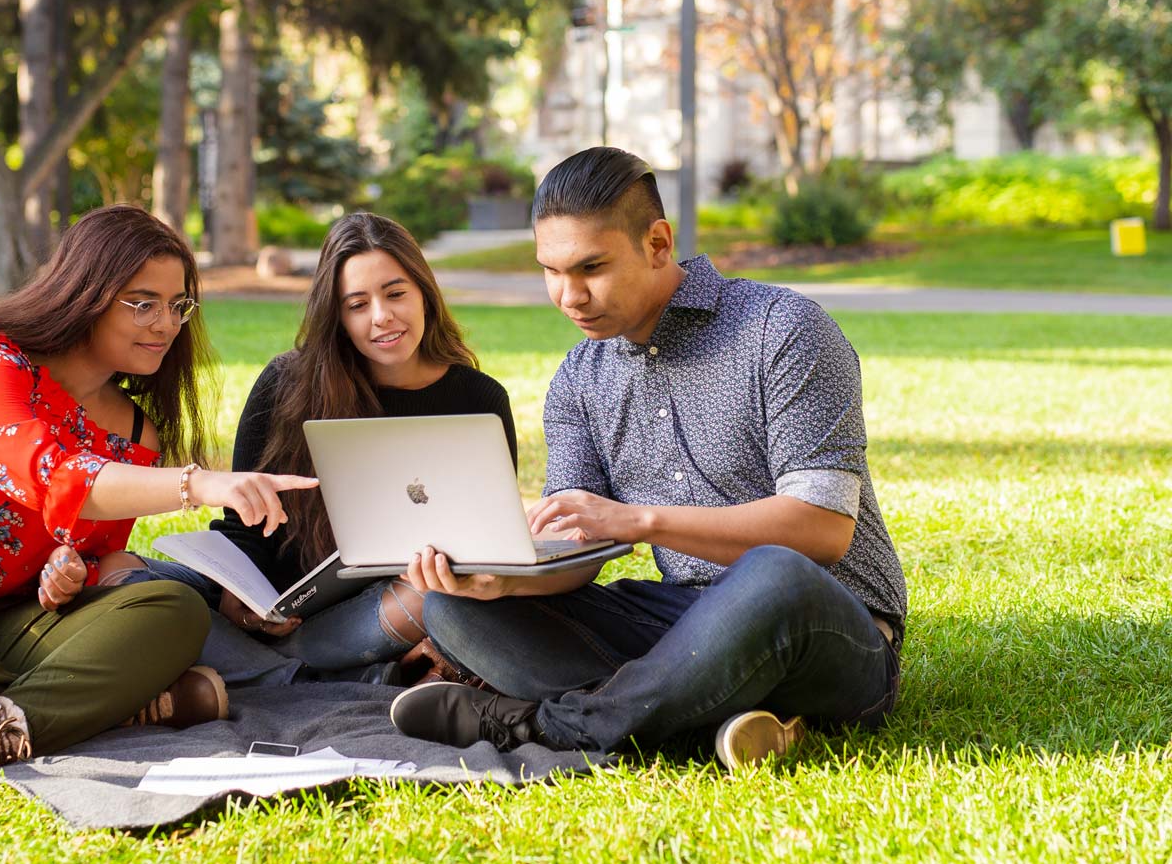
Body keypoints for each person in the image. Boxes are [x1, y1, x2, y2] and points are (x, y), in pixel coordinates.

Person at [388, 147, 907, 771]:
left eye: (591, 267)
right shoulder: (579, 378)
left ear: (658, 242)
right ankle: (710, 716)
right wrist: (506, 578)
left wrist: (638, 520)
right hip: (680, 627)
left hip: (825, 623)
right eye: (550, 270)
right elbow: (575, 550)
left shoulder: (783, 328)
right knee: (456, 606)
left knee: (776, 573)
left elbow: (821, 532)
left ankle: (553, 725)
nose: (568, 296)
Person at [0, 205, 317, 781]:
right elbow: (52, 472)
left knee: (173, 611)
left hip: (15, 623)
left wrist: (68, 572)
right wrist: (199, 483)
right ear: (85, 293)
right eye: (143, 303)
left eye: (178, 305)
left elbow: (94, 557)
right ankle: (106, 705)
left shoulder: (134, 429)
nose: (167, 324)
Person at [130, 212, 516, 686]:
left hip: (386, 614)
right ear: (337, 317)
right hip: (271, 609)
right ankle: (330, 678)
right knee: (125, 575)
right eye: (357, 304)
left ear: (424, 294)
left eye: (396, 294)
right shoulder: (285, 384)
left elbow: (493, 546)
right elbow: (242, 533)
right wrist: (241, 600)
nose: (382, 317)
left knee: (426, 598)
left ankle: (276, 675)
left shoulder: (479, 400)